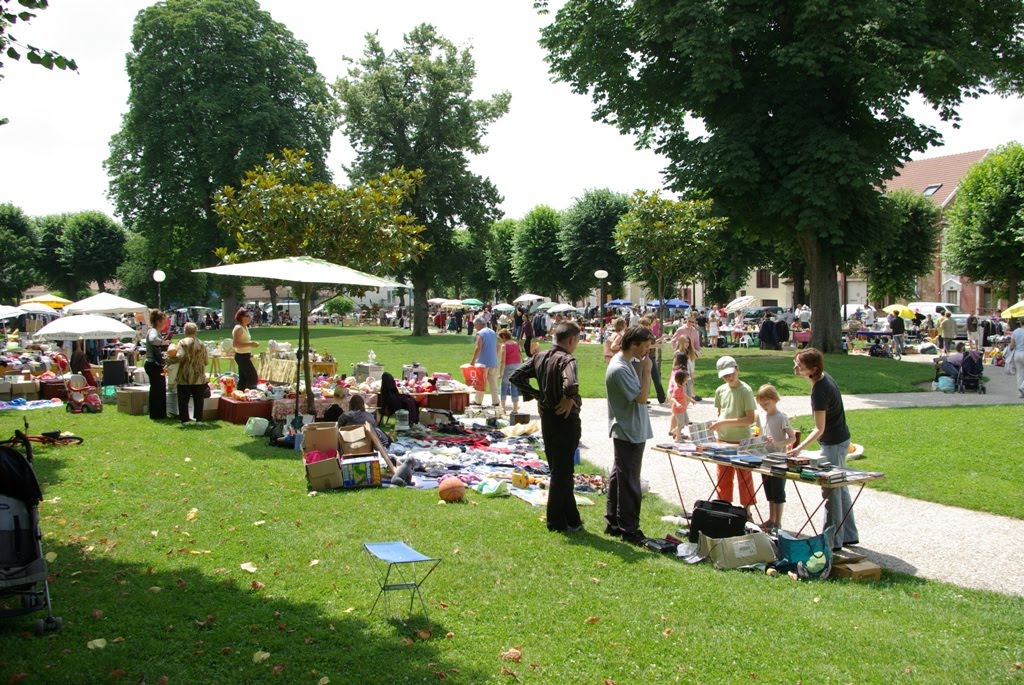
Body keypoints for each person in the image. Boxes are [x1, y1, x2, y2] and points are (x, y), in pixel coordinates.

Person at [510, 322, 584, 533]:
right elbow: (570, 384)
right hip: (565, 418)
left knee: (560, 470)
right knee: (562, 472)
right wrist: (569, 397)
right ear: (571, 340)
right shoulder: (567, 359)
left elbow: (516, 376)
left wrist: (538, 395)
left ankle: (572, 518)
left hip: (548, 419)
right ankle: (556, 521)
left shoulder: (540, 356)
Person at [788, 348, 859, 551]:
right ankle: (849, 535)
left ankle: (832, 540)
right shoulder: (823, 380)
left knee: (831, 490)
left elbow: (820, 428)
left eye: (799, 366)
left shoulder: (820, 389)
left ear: (813, 369)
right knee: (840, 486)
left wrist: (799, 448)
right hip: (838, 440)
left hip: (834, 443)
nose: (795, 368)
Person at [603, 324, 655, 544]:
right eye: (645, 346)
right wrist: (647, 370)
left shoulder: (625, 364)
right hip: (628, 430)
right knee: (630, 482)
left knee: (619, 477)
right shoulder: (619, 368)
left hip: (632, 429)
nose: (647, 352)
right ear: (634, 344)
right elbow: (642, 398)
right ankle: (630, 529)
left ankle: (614, 522)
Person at [709, 355, 757, 520]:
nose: (728, 377)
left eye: (731, 373)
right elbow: (720, 413)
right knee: (723, 476)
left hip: (741, 440)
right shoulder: (720, 391)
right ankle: (724, 508)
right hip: (722, 440)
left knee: (744, 477)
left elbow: (750, 419)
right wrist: (717, 424)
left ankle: (747, 511)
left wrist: (723, 422)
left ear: (737, 369)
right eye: (724, 375)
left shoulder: (746, 390)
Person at [755, 384, 796, 534]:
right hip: (765, 458)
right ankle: (771, 519)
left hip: (779, 460)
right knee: (769, 492)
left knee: (778, 492)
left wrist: (779, 443)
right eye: (761, 404)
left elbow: (791, 437)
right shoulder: (761, 416)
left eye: (767, 404)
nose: (764, 407)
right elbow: (759, 433)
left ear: (774, 400)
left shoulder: (781, 417)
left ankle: (778, 522)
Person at [170, 322, 209, 424]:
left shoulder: (182, 343)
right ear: (196, 331)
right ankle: (199, 419)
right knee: (198, 399)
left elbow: (179, 357)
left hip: (185, 375)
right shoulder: (201, 344)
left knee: (183, 399)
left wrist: (169, 360)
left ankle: (184, 419)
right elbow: (206, 361)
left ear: (185, 331)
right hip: (198, 376)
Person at [145, 309, 170, 420]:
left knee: (159, 389)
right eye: (164, 321)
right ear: (159, 321)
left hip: (153, 365)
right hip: (153, 365)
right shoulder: (153, 331)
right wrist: (163, 342)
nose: (165, 323)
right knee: (157, 390)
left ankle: (159, 413)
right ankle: (157, 414)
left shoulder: (156, 331)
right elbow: (153, 340)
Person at [470, 319, 500, 407]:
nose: (475, 327)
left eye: (475, 325)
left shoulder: (480, 334)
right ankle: (496, 401)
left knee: (481, 382)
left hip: (482, 362)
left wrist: (473, 361)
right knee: (493, 382)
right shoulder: (493, 332)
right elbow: (497, 347)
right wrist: (494, 356)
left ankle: (478, 400)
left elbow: (478, 348)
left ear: (479, 324)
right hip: (493, 361)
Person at [232, 308, 260, 390]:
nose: (249, 318)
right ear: (241, 317)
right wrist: (251, 344)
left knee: (243, 379)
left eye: (249, 316)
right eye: (247, 316)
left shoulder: (245, 327)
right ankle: (251, 395)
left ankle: (241, 395)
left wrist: (249, 347)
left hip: (245, 355)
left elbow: (244, 341)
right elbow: (235, 344)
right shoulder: (238, 328)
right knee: (253, 378)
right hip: (241, 356)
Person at [497, 328, 523, 413]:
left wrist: (500, 372)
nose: (501, 340)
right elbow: (520, 355)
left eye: (501, 337)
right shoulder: (516, 344)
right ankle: (515, 409)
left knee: (503, 387)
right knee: (514, 387)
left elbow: (502, 360)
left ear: (504, 336)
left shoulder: (504, 346)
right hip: (518, 366)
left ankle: (503, 408)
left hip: (509, 366)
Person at [669, 368, 696, 440]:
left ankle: (674, 431)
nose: (687, 381)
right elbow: (672, 398)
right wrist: (677, 403)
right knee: (680, 424)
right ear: (681, 380)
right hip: (678, 409)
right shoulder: (677, 388)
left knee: (686, 422)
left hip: (683, 408)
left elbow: (684, 394)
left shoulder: (682, 387)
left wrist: (690, 399)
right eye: (686, 379)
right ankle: (678, 438)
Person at [1009, 319, 1024, 400]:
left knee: (1020, 374)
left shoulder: (1015, 332)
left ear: (1020, 323)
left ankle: (1020, 393)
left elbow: (1011, 345)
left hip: (1017, 354)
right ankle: (1022, 387)